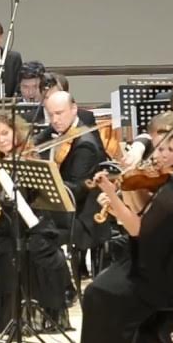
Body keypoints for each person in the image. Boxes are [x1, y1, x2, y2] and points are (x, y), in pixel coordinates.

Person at [78, 130, 173, 343]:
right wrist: (120, 206)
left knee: (96, 292)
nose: (161, 154)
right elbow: (154, 226)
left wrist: (108, 191)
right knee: (102, 285)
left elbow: (137, 229)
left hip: (158, 279)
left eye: (170, 150)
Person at [0, 110, 70, 332]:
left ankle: (29, 316)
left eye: (5, 133)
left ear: (16, 132)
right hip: (8, 227)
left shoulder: (29, 157)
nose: (2, 140)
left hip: (35, 226)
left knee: (24, 252)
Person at [35, 91, 104, 283]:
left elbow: (76, 188)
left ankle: (62, 287)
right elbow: (35, 143)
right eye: (51, 114)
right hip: (66, 208)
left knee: (37, 234)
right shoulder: (61, 131)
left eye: (59, 113)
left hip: (82, 215)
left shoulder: (85, 144)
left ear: (74, 109)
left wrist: (45, 182)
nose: (55, 120)